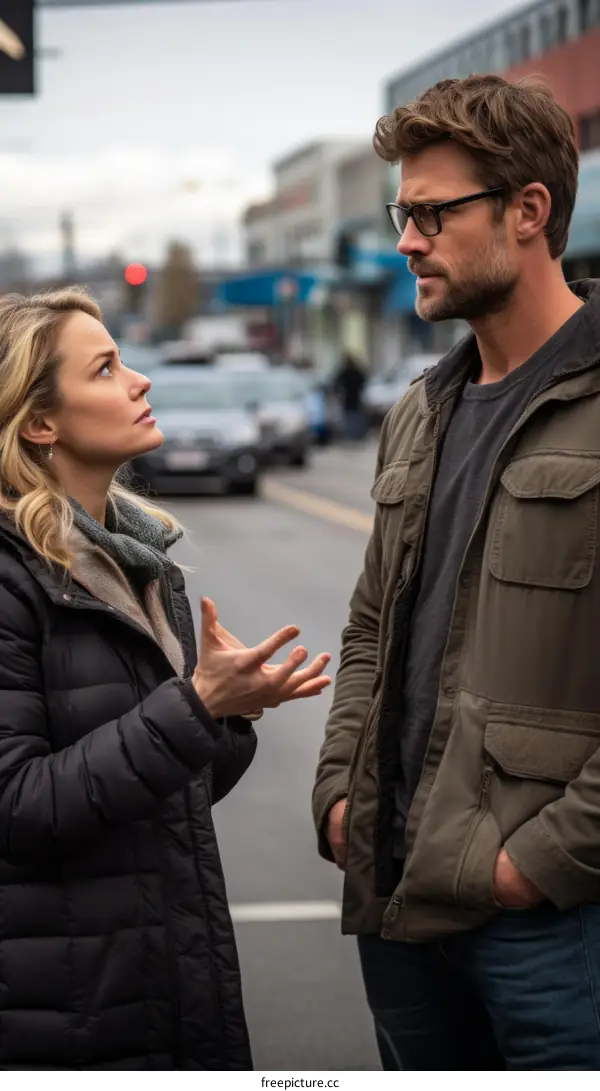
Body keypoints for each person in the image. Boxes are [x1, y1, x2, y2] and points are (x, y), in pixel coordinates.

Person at [312, 73, 600, 1071]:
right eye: (404, 212)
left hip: (555, 924)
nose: (406, 240)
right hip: (393, 893)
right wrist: (341, 794)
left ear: (529, 211)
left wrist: (540, 861)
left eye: (433, 212)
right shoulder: (420, 412)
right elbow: (367, 629)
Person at [0, 287, 331, 1070]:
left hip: (164, 974)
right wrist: (196, 703)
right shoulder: (13, 576)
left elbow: (171, 799)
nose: (141, 381)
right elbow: (17, 809)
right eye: (108, 369)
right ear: (41, 421)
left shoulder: (140, 563)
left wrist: (228, 713)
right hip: (68, 1012)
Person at [333, 352, 367, 440]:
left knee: (351, 416)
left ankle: (352, 434)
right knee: (353, 416)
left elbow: (336, 384)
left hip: (350, 397)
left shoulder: (346, 372)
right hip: (353, 397)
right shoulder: (354, 372)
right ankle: (355, 434)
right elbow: (363, 381)